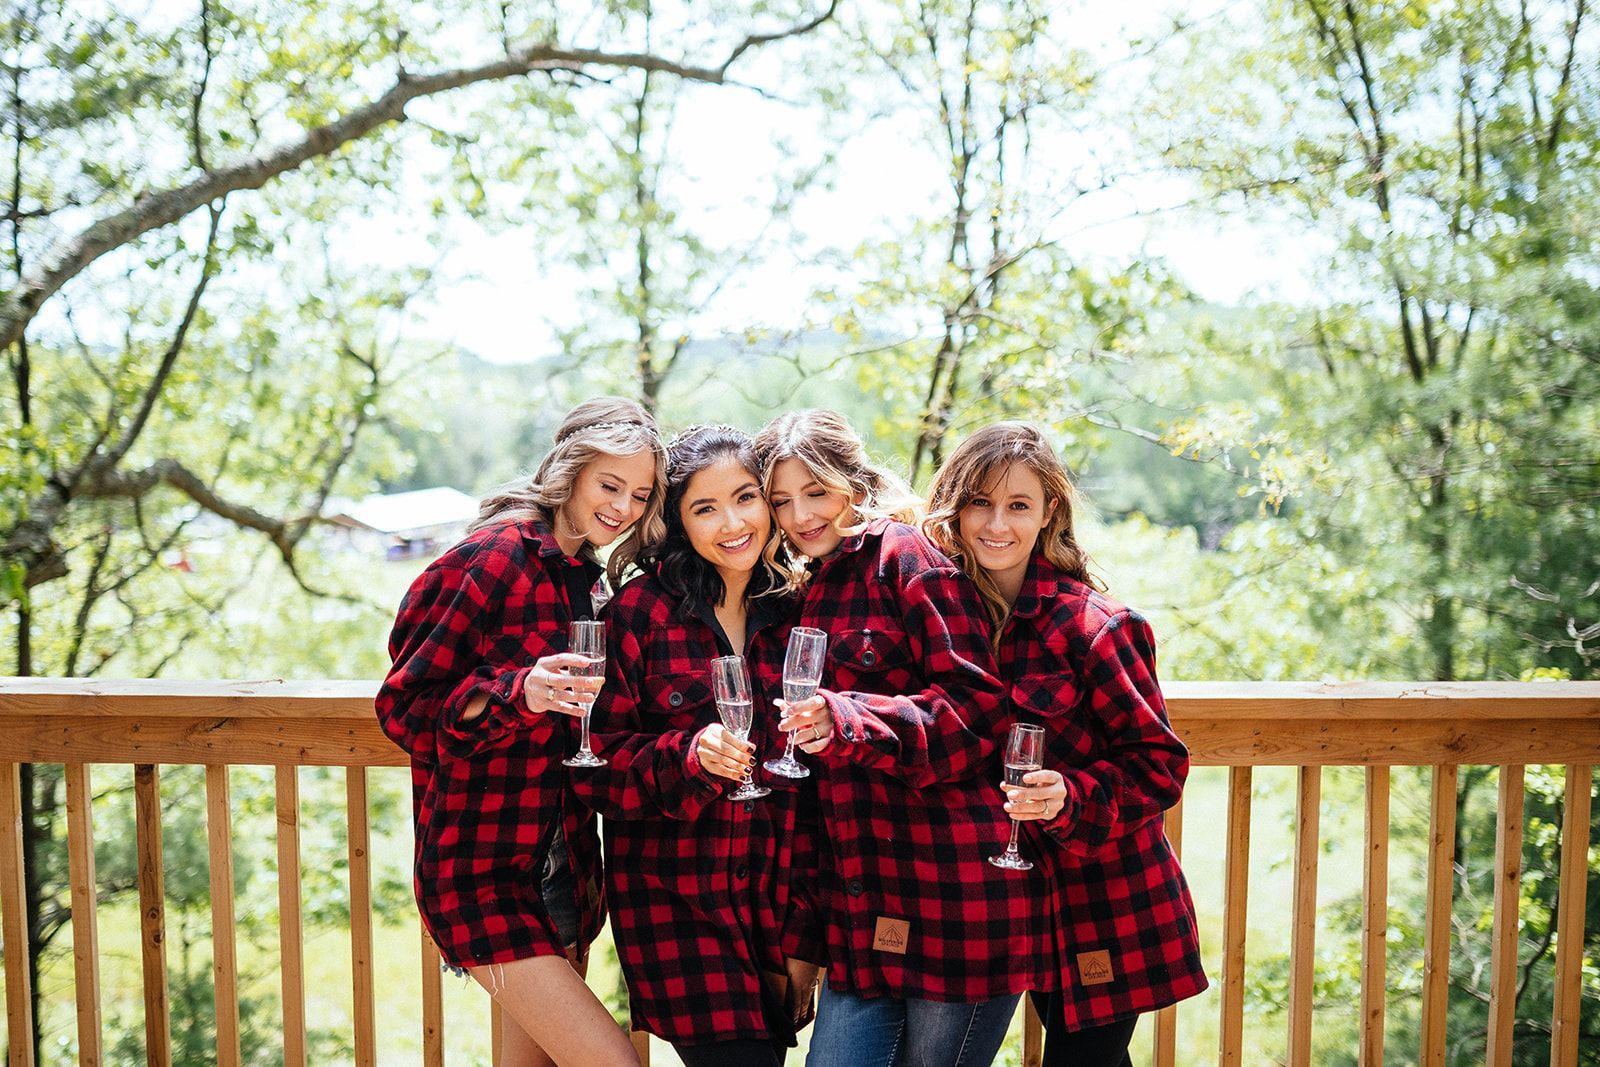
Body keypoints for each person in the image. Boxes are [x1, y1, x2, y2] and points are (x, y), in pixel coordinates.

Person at [753, 409, 1050, 1067]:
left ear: (851, 484)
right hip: (865, 916)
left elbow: (976, 711)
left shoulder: (904, 557)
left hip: (956, 904)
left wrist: (847, 719)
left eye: (816, 491)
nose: (800, 514)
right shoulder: (803, 585)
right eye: (781, 500)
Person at [375, 396, 664, 1067]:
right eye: (609, 485)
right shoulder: (491, 558)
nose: (623, 507)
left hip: (564, 863)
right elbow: (403, 706)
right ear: (570, 472)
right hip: (481, 872)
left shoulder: (586, 576)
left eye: (640, 494)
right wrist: (517, 691)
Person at [924, 421, 1207, 1067]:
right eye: (979, 502)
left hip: (1102, 899)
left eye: (1018, 505)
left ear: (1049, 510)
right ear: (955, 506)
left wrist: (1069, 794)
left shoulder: (1097, 627)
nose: (997, 523)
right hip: (995, 902)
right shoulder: (938, 620)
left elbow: (1158, 765)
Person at [571, 425, 820, 1067]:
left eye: (745, 497)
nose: (732, 522)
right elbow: (593, 768)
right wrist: (686, 758)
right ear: (679, 523)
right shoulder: (639, 614)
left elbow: (815, 795)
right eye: (705, 508)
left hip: (775, 907)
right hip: (676, 912)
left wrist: (804, 938)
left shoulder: (798, 609)